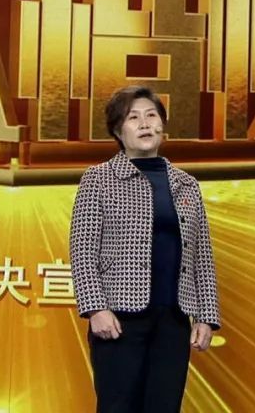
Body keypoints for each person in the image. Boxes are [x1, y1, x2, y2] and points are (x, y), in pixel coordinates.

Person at [70, 85, 221, 412]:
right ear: (117, 131)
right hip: (118, 319)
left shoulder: (186, 184)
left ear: (162, 126)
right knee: (118, 406)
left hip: (173, 319)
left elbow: (202, 257)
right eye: (133, 117)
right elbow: (82, 252)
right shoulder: (98, 179)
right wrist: (95, 309)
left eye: (151, 116)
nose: (144, 124)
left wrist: (206, 317)